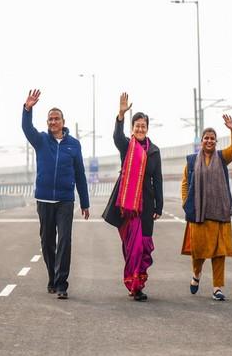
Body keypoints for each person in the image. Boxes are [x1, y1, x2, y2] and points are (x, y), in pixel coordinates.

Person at [22, 89, 90, 300]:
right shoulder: (41, 140)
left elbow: (80, 174)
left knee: (65, 241)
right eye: (50, 119)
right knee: (47, 242)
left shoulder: (74, 145)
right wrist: (27, 109)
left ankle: (61, 284)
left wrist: (85, 202)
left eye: (56, 118)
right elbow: (26, 127)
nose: (53, 122)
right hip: (44, 199)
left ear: (63, 121)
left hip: (65, 200)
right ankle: (52, 276)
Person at [102, 93, 163, 301]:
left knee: (143, 246)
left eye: (143, 126)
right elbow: (116, 137)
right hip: (128, 207)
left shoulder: (154, 151)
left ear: (147, 128)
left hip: (146, 206)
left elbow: (158, 179)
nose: (140, 129)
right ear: (132, 128)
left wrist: (159, 206)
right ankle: (134, 286)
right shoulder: (127, 146)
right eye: (136, 126)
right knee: (132, 246)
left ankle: (138, 282)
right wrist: (120, 114)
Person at [181, 114, 232, 301]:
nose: (209, 141)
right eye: (206, 138)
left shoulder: (222, 158)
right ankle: (196, 275)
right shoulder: (191, 161)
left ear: (215, 141)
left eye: (212, 138)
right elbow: (185, 183)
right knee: (198, 251)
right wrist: (185, 202)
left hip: (219, 212)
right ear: (201, 141)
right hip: (198, 213)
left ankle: (217, 288)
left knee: (219, 252)